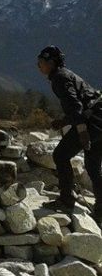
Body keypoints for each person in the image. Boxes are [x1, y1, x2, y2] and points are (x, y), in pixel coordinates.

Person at [37, 46, 102, 219]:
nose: (39, 66)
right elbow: (82, 105)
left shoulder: (59, 78)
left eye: (41, 62)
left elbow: (76, 106)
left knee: (60, 155)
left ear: (51, 63)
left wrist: (82, 132)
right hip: (99, 117)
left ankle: (66, 200)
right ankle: (101, 211)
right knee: (93, 167)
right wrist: (64, 122)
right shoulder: (65, 74)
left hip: (92, 122)